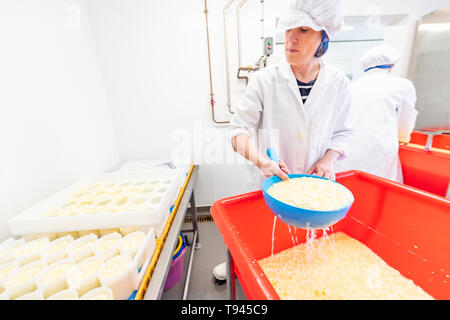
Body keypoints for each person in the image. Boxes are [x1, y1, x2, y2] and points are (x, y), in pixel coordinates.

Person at [212, 0, 353, 283]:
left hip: (316, 184)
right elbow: (238, 132)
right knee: (260, 239)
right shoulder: (264, 80)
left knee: (306, 251)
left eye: (303, 29)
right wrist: (262, 160)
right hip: (269, 179)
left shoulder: (339, 83)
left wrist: (328, 159)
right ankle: (244, 265)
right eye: (290, 28)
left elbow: (344, 132)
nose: (291, 38)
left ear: (323, 37)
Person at [335, 44, 418, 182]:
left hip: (348, 152)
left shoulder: (353, 85)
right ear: (391, 65)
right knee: (380, 190)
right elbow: (405, 121)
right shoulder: (401, 85)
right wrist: (403, 137)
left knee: (351, 190)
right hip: (379, 152)